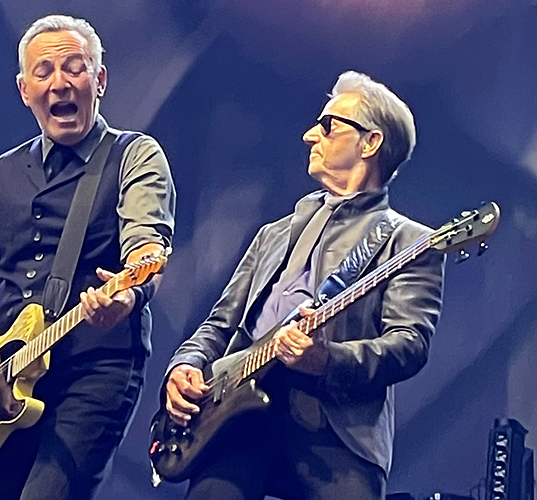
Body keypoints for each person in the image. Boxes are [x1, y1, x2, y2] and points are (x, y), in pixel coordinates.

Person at [163, 71, 444, 500]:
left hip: (335, 434)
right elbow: (219, 324)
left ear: (370, 143)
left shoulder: (409, 242)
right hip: (238, 415)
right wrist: (184, 365)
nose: (310, 135)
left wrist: (326, 360)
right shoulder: (273, 235)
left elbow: (409, 345)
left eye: (328, 125)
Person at [0, 14, 175, 500]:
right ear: (24, 90)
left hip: (92, 369)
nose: (60, 83)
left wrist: (127, 298)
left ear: (100, 80)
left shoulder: (134, 155)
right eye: (43, 72)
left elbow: (147, 248)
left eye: (75, 68)